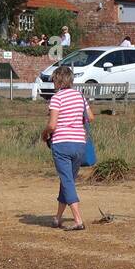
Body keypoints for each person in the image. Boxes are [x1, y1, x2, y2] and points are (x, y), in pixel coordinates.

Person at [44, 66, 94, 231]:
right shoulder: (80, 96)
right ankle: (57, 218)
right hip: (80, 143)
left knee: (66, 180)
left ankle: (78, 220)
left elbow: (52, 125)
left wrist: (44, 134)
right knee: (68, 181)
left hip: (62, 144)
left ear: (58, 80)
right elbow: (91, 117)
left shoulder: (57, 98)